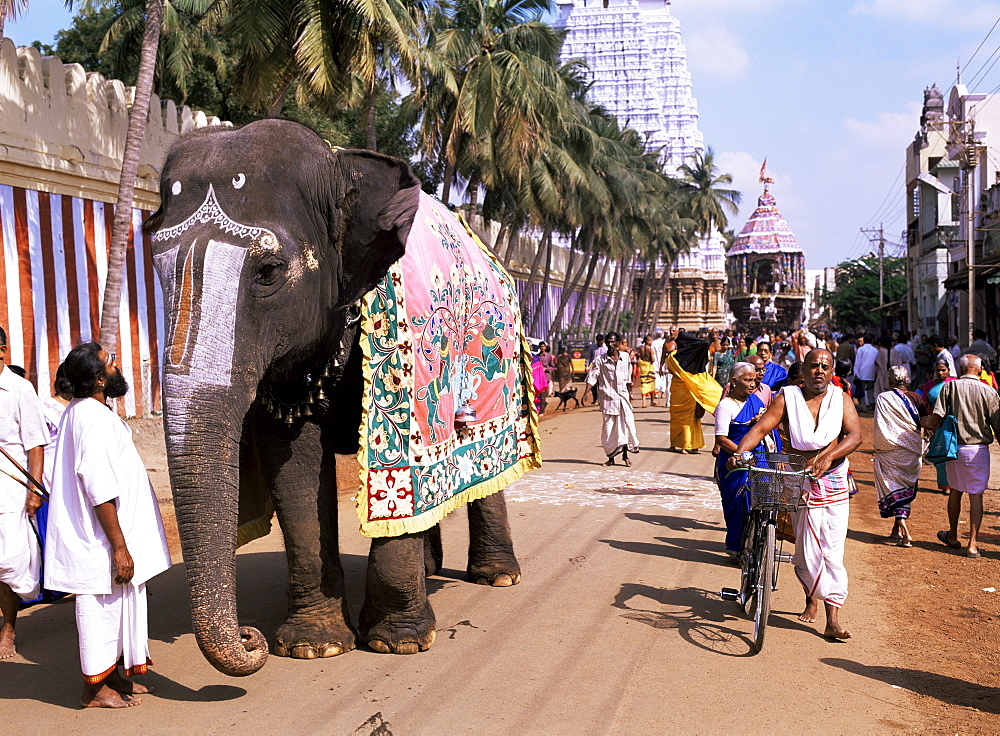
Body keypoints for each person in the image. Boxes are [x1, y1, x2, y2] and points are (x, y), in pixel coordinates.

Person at [45, 343, 172, 707]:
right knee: (99, 608)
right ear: (100, 380)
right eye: (109, 362)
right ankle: (94, 689)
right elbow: (99, 487)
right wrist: (119, 546)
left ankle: (112, 675)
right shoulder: (90, 417)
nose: (116, 364)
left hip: (108, 536)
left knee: (118, 604)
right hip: (99, 540)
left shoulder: (88, 411)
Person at [731, 349, 862, 640]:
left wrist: (830, 457)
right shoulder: (787, 397)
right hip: (798, 478)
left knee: (832, 550)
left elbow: (855, 435)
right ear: (803, 371)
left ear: (832, 371)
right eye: (813, 366)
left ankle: (833, 618)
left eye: (825, 367)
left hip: (834, 480)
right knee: (806, 552)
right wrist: (740, 453)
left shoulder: (841, 399)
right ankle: (810, 597)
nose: (819, 371)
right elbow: (761, 427)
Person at [0, 327, 49, 659]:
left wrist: (34, 488)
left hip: (11, 491)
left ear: (2, 350)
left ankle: (8, 628)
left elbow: (35, 444)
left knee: (9, 562)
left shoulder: (19, 389)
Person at [924, 354, 1000, 558]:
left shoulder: (949, 388)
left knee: (956, 491)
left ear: (960, 367)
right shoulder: (989, 391)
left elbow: (936, 418)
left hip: (954, 448)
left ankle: (953, 535)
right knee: (976, 495)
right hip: (978, 450)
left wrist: (921, 422)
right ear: (980, 368)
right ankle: (973, 544)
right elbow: (997, 426)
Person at [714, 363, 780, 559]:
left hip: (759, 458)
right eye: (748, 380)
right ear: (733, 382)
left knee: (768, 493)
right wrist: (742, 454)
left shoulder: (757, 402)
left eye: (754, 380)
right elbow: (721, 439)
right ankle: (736, 545)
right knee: (738, 500)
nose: (753, 384)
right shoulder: (725, 406)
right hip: (735, 461)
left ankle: (763, 540)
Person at [873, 366, 926, 546]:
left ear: (889, 381)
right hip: (911, 451)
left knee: (892, 487)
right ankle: (895, 531)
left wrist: (881, 448)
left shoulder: (883, 398)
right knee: (905, 488)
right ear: (908, 380)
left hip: (889, 452)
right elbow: (926, 421)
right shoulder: (916, 398)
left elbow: (881, 428)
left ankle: (905, 531)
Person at [663, 331, 723, 454]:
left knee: (676, 418)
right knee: (691, 419)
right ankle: (691, 445)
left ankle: (676, 444)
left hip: (677, 390)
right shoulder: (696, 357)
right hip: (690, 391)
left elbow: (670, 370)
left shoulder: (672, 357)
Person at [585, 332, 639, 466]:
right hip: (608, 399)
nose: (610, 344)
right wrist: (585, 393)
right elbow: (592, 376)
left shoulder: (626, 357)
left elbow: (628, 377)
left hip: (623, 398)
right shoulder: (600, 360)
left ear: (618, 342)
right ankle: (611, 458)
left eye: (613, 342)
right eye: (608, 342)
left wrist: (630, 394)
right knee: (609, 429)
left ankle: (626, 456)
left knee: (626, 426)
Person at [919, 359, 957, 494]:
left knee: (952, 453)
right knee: (940, 453)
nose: (940, 373)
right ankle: (945, 484)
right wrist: (926, 425)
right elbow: (924, 405)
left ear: (948, 370)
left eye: (943, 370)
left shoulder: (954, 383)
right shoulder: (929, 385)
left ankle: (954, 483)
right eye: (938, 370)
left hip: (952, 423)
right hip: (935, 423)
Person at [853, 334, 878, 411]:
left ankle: (863, 406)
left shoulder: (861, 349)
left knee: (862, 390)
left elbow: (857, 362)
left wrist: (855, 373)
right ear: (872, 341)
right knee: (871, 389)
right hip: (872, 372)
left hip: (862, 372)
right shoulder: (875, 350)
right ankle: (871, 403)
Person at [637, 336, 657, 407]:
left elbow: (640, 357)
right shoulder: (650, 350)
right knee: (651, 383)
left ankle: (644, 402)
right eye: (651, 341)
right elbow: (653, 359)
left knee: (644, 383)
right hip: (649, 366)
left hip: (643, 368)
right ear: (647, 341)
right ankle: (652, 400)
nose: (651, 342)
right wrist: (654, 354)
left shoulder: (641, 349)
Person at [651, 329, 668, 402]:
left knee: (656, 378)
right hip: (663, 362)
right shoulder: (665, 342)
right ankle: (663, 393)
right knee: (664, 378)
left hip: (655, 362)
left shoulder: (653, 343)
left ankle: (656, 393)